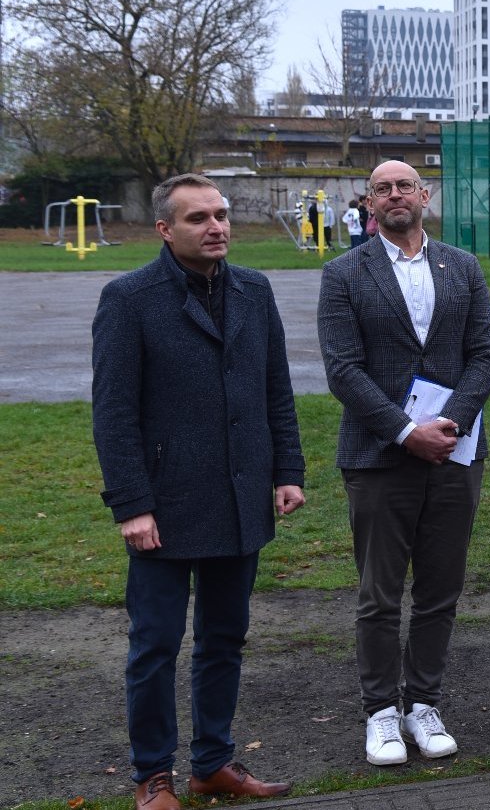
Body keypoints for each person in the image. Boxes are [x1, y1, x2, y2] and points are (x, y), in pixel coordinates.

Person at [92, 174, 305, 809]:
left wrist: (286, 471)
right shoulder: (129, 298)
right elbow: (113, 413)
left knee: (224, 638)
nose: (217, 226)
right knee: (155, 645)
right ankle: (152, 775)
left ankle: (211, 763)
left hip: (240, 496)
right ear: (165, 229)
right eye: (198, 218)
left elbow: (276, 390)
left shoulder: (253, 288)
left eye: (222, 214)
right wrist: (131, 504)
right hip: (163, 504)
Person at [317, 160, 490, 766]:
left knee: (441, 590)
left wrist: (452, 424)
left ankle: (424, 703)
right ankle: (380, 712)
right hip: (378, 457)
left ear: (425, 196)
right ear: (368, 202)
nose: (395, 195)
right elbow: (343, 368)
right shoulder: (344, 272)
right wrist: (404, 431)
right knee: (380, 595)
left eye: (405, 186)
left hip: (454, 452)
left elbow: (483, 354)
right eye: (382, 188)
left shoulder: (462, 266)